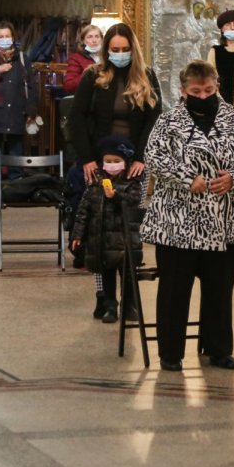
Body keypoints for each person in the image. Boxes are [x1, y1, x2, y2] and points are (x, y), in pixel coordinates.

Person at [142, 61, 234, 372]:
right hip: (178, 220)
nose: (203, 95)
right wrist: (187, 177)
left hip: (224, 220)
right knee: (174, 289)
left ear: (217, 87)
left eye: (209, 90)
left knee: (220, 289)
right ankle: (170, 352)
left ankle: (218, 348)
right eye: (196, 91)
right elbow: (153, 157)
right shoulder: (168, 122)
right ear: (183, 91)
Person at [68, 22, 161, 318]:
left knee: (129, 233)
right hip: (100, 163)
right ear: (107, 50)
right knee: (100, 233)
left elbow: (153, 120)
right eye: (115, 50)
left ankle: (131, 298)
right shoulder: (94, 76)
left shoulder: (146, 77)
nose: (120, 54)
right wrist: (87, 159)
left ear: (132, 49)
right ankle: (105, 300)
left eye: (125, 50)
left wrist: (142, 158)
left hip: (133, 164)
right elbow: (77, 119)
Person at [70, 136, 144, 325]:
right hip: (102, 241)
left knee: (128, 276)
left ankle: (129, 306)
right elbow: (83, 212)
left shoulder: (132, 183)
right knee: (108, 276)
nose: (111, 165)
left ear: (126, 163)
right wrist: (77, 235)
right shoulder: (95, 185)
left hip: (125, 242)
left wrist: (116, 196)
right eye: (108, 162)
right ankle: (110, 306)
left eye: (116, 161)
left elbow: (133, 204)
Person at [0, 21, 37, 194]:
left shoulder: (21, 58)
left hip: (16, 107)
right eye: (1, 37)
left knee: (15, 145)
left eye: (7, 36)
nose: (5, 39)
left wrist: (32, 109)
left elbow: (31, 85)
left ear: (13, 38)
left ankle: (15, 179)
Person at [62, 23, 102, 95]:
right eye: (89, 37)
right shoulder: (76, 58)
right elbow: (69, 87)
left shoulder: (108, 56)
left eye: (97, 36)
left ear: (101, 39)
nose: (94, 40)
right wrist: (85, 75)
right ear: (83, 41)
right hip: (87, 97)